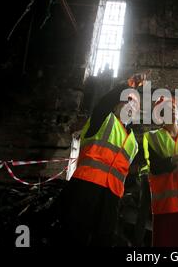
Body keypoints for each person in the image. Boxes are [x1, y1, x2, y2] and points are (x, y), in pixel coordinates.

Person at [60, 72, 146, 246]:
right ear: (116, 105)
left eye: (136, 105)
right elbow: (102, 104)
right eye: (128, 101)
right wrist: (126, 85)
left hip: (112, 197)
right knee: (76, 236)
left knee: (104, 239)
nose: (132, 106)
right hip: (86, 188)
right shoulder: (103, 120)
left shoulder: (133, 144)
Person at [142, 96, 178, 247]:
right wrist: (176, 159)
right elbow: (154, 168)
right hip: (165, 204)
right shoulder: (152, 137)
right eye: (167, 108)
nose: (173, 109)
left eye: (174, 107)